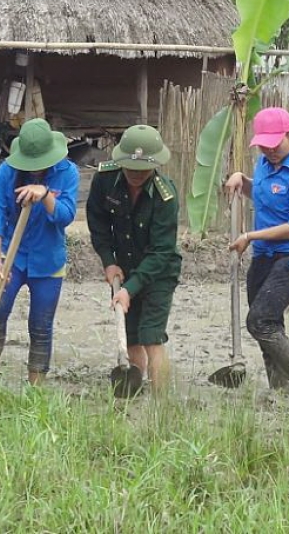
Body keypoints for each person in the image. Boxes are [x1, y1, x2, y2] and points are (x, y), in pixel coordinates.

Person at [224, 107, 289, 393]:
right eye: (264, 145)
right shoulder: (264, 165)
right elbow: (265, 194)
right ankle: (280, 391)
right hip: (263, 258)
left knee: (260, 320)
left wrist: (250, 235)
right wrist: (242, 179)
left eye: (275, 144)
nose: (269, 150)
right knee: (269, 325)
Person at [0, 118, 79, 385]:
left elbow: (66, 215)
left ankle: (36, 386)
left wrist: (46, 194)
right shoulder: (6, 172)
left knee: (40, 324)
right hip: (12, 255)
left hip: (49, 259)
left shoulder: (68, 172)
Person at [86, 124, 181, 396]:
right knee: (131, 335)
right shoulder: (105, 180)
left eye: (143, 169)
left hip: (158, 272)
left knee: (151, 336)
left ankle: (160, 405)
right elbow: (98, 222)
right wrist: (108, 261)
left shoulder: (166, 196)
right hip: (123, 268)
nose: (136, 174)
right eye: (130, 168)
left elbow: (162, 251)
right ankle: (132, 394)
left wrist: (129, 289)